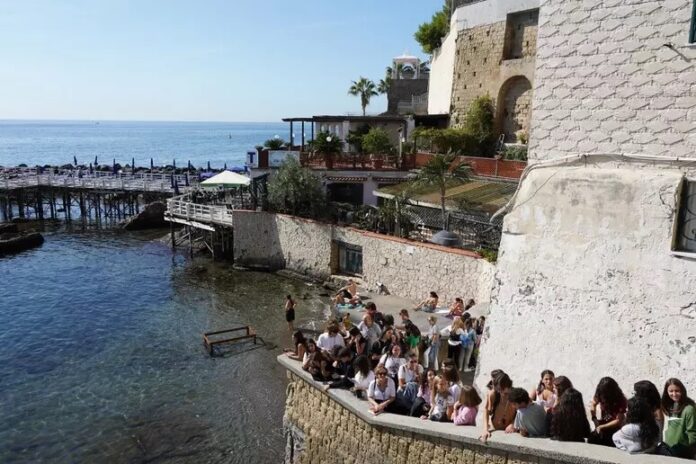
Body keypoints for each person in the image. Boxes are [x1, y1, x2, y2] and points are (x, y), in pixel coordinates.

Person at [661, 377, 696, 458]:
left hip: (682, 452)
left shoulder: (689, 409)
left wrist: (692, 453)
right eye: (671, 391)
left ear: (682, 391)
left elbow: (692, 433)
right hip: (670, 448)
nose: (674, 394)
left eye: (677, 391)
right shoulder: (672, 406)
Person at [588, 377, 628, 447]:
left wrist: (602, 427)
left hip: (614, 428)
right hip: (603, 423)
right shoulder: (600, 392)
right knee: (591, 439)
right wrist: (594, 418)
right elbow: (593, 404)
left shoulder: (621, 399)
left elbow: (619, 420)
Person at [480, 372, 516, 442]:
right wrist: (485, 429)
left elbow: (521, 412)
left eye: (504, 392)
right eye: (499, 390)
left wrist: (513, 424)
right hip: (496, 428)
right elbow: (486, 410)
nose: (501, 393)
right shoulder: (493, 394)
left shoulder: (515, 394)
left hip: (510, 431)